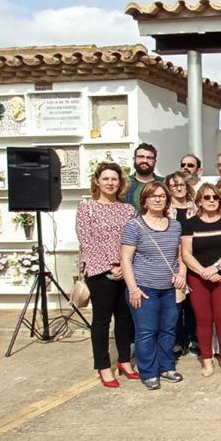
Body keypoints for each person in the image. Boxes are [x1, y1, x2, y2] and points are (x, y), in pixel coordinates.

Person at [76, 162, 139, 388]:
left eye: (115, 179)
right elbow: (87, 241)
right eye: (106, 179)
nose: (111, 183)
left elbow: (132, 240)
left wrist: (125, 265)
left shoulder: (128, 210)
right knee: (102, 321)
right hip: (100, 272)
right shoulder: (87, 208)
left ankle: (124, 360)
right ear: (97, 181)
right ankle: (103, 366)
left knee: (125, 319)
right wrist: (110, 266)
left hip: (126, 270)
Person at [120, 182, 186, 390]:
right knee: (146, 332)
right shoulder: (134, 225)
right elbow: (126, 259)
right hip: (144, 288)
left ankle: (166, 366)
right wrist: (133, 288)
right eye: (153, 196)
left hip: (170, 288)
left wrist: (182, 274)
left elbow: (179, 255)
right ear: (145, 200)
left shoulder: (174, 225)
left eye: (162, 196)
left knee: (168, 329)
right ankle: (148, 371)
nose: (158, 199)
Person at [181, 183, 221, 377]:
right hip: (198, 278)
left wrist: (215, 268)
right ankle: (207, 360)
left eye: (215, 197)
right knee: (203, 319)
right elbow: (186, 254)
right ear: (199, 200)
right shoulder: (190, 224)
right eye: (207, 197)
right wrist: (203, 272)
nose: (212, 201)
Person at [166, 171, 197, 357]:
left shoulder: (195, 207)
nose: (178, 188)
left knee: (192, 304)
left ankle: (194, 338)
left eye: (181, 185)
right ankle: (178, 341)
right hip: (173, 260)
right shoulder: (166, 209)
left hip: (194, 259)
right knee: (175, 303)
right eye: (174, 185)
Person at [125, 143, 163, 211]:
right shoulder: (124, 183)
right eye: (140, 157)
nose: (145, 161)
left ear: (155, 161)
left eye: (149, 158)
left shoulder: (164, 183)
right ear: (134, 159)